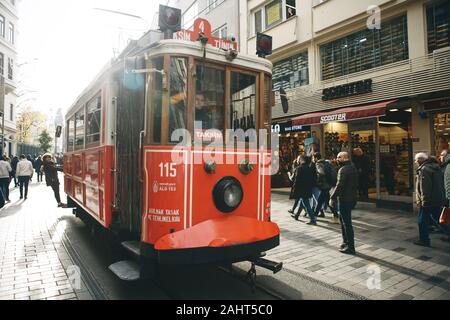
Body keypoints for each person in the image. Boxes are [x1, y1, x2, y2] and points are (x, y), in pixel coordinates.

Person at [330, 152, 359, 254]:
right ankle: (346, 242)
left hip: (345, 199)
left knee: (346, 223)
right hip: (352, 198)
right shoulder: (353, 167)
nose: (337, 159)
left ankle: (350, 247)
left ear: (345, 158)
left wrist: (332, 198)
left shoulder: (343, 169)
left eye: (339, 157)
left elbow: (339, 185)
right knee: (344, 221)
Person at [414, 152, 445, 247]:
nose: (415, 162)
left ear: (420, 160)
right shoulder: (435, 167)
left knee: (421, 221)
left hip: (428, 201)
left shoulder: (424, 169)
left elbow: (425, 188)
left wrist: (423, 202)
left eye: (416, 160)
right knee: (439, 219)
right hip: (437, 198)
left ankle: (424, 240)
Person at [313, 152, 339, 223]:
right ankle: (314, 215)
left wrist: (318, 181)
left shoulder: (318, 163)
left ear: (315, 158)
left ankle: (336, 215)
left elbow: (321, 173)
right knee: (322, 200)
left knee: (324, 201)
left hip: (324, 185)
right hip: (329, 184)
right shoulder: (326, 162)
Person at [292, 155, 317, 225]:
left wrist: (295, 190)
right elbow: (313, 179)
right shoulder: (309, 168)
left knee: (306, 204)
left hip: (302, 189)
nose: (298, 160)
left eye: (299, 159)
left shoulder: (299, 168)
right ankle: (297, 215)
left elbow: (297, 181)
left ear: (302, 160)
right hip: (308, 188)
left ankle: (313, 219)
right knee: (302, 202)